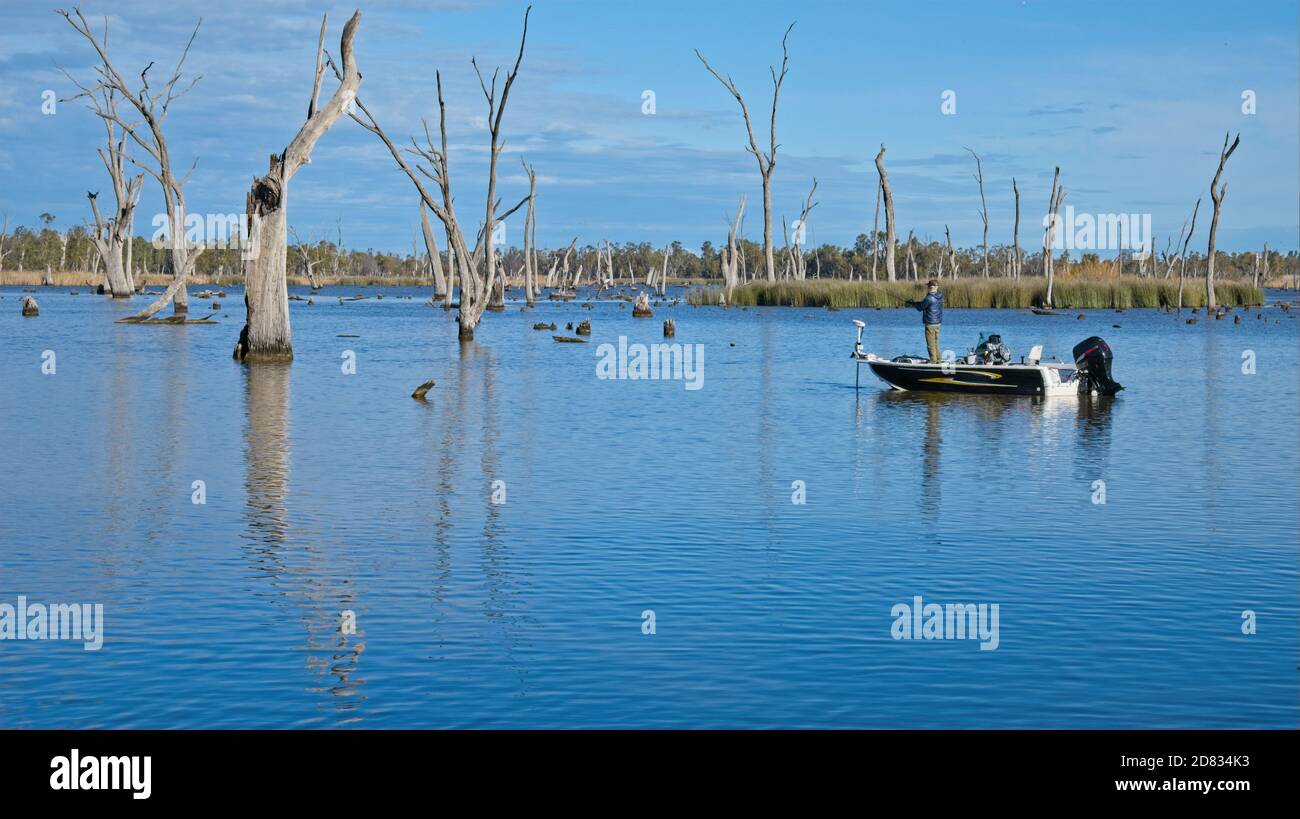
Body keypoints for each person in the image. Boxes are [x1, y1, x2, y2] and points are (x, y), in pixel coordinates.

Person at [908, 279, 944, 363]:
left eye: (928, 286)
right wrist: (914, 303)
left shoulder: (929, 297)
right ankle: (938, 360)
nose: (927, 287)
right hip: (938, 323)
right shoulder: (940, 295)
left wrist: (912, 303)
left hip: (930, 324)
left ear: (930, 287)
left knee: (930, 344)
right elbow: (924, 304)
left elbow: (920, 307)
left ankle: (933, 361)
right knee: (936, 342)